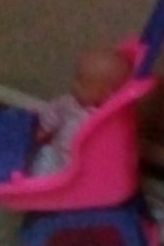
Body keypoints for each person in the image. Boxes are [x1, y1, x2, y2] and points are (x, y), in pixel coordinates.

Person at [30, 46, 129, 175]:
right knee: (45, 154)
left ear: (108, 94)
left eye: (81, 83)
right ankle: (33, 179)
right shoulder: (68, 101)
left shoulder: (107, 118)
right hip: (57, 153)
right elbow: (53, 112)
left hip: (81, 165)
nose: (74, 84)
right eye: (76, 78)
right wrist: (44, 129)